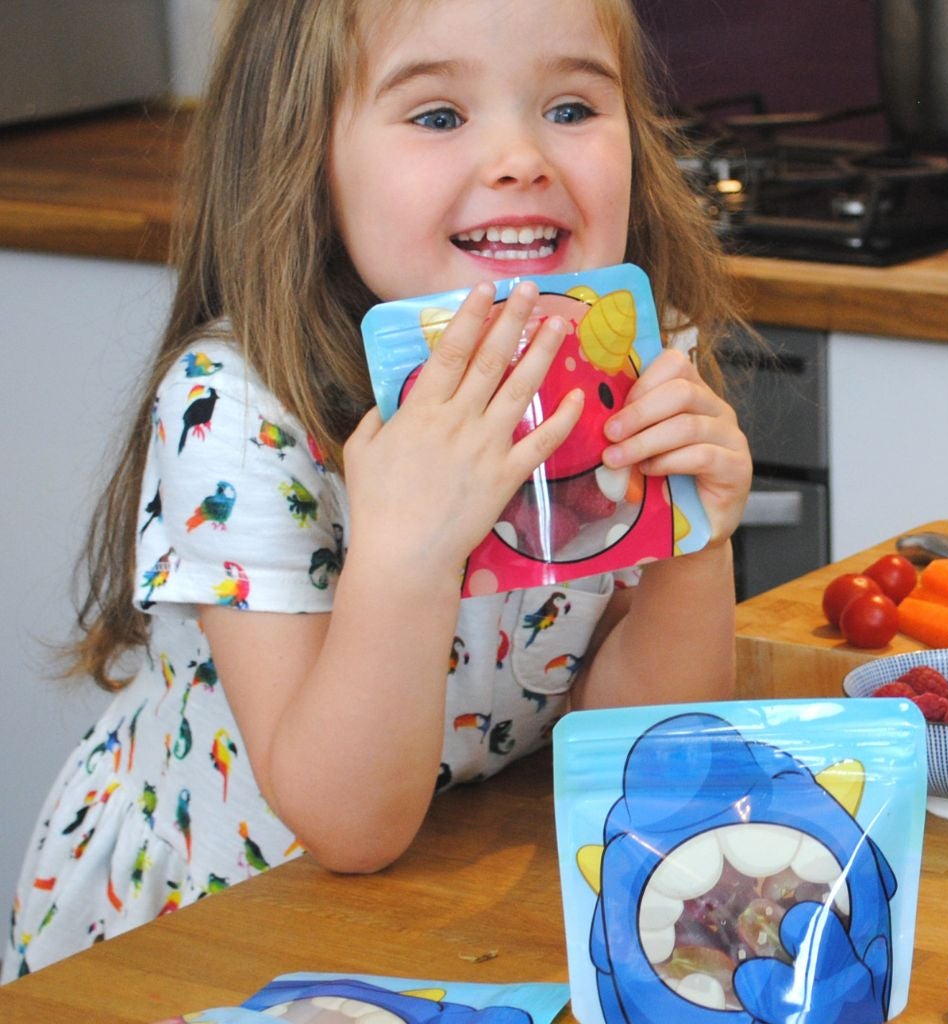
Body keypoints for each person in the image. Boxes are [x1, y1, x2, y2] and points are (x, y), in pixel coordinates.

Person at [4, 0, 751, 979]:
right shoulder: (237, 409)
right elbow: (347, 824)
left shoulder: (628, 355)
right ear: (305, 160)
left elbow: (633, 745)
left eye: (571, 107)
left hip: (456, 895)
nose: (522, 157)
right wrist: (405, 553)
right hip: (221, 935)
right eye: (438, 116)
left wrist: (694, 540)